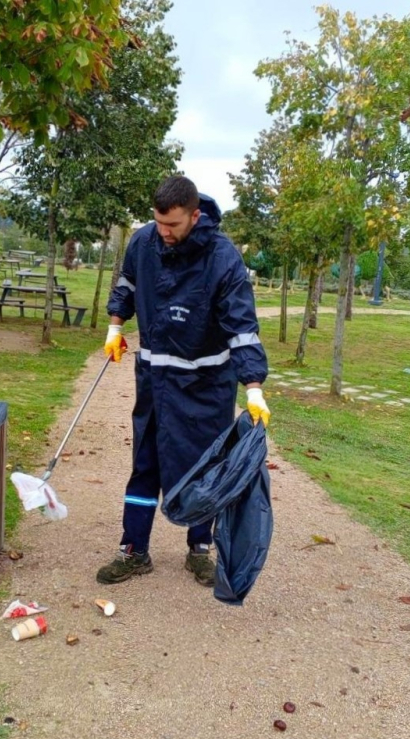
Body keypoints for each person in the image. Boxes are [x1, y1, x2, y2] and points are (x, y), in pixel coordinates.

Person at [96, 175, 269, 587]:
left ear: (194, 215)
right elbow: (127, 283)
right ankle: (133, 550)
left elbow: (242, 328)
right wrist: (115, 327)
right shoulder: (144, 241)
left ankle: (200, 549)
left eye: (172, 225)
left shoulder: (223, 258)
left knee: (206, 466)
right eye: (158, 222)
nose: (164, 232)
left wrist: (255, 388)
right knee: (145, 463)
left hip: (207, 383)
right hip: (156, 379)